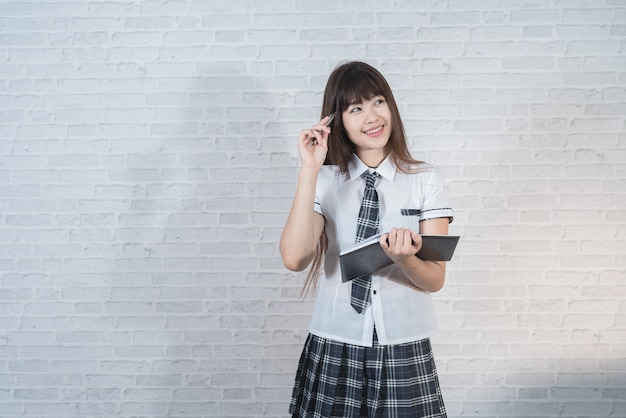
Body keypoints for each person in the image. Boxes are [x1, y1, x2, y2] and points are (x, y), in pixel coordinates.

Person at [280, 61, 453, 418]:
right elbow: (295, 259)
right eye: (355, 108)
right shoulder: (325, 180)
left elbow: (435, 279)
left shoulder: (425, 180)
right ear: (336, 120)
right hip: (335, 340)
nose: (372, 116)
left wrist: (406, 259)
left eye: (378, 101)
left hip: (402, 346)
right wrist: (309, 169)